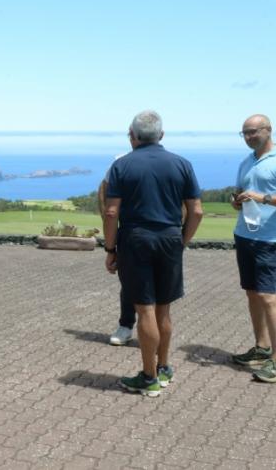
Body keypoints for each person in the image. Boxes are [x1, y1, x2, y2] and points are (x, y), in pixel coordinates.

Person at [102, 110, 203, 397]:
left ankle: (148, 378)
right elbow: (196, 211)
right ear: (161, 135)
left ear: (132, 136)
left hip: (136, 240)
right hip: (170, 238)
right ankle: (164, 367)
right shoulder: (182, 164)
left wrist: (111, 248)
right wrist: (181, 241)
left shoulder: (122, 166)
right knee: (164, 308)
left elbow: (111, 212)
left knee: (144, 308)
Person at [229, 114, 276, 383]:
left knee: (267, 296)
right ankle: (261, 348)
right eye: (244, 133)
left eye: (253, 132)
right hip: (244, 235)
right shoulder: (246, 162)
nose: (249, 137)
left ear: (268, 130)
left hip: (269, 240)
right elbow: (241, 192)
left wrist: (264, 197)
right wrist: (236, 200)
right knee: (252, 294)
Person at [98, 153, 135, 346]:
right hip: (129, 233)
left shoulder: (170, 162)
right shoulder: (119, 163)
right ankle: (126, 325)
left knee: (155, 288)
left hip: (160, 234)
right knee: (128, 284)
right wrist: (111, 245)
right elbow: (106, 204)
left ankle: (155, 333)